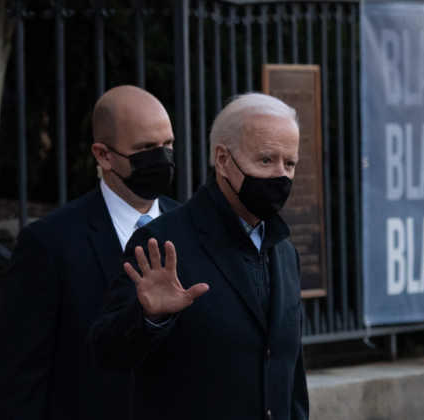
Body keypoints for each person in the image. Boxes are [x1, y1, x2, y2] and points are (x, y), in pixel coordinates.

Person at [87, 93, 309, 419]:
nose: (281, 175)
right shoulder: (162, 243)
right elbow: (103, 353)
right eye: (265, 160)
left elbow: (292, 378)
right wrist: (148, 317)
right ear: (222, 159)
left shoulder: (284, 252)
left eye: (289, 163)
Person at [0, 86, 180, 420]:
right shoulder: (49, 243)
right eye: (145, 148)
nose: (162, 158)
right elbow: (18, 382)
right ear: (103, 155)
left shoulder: (190, 229)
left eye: (167, 145)